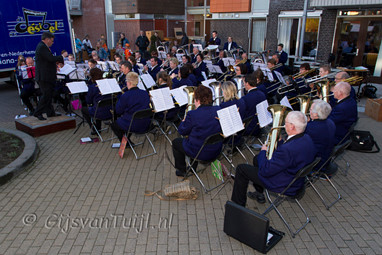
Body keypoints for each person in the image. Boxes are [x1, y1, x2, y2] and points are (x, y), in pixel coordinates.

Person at [232, 111, 316, 206]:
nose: (284, 125)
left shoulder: (287, 150)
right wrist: (279, 142)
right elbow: (289, 157)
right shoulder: (307, 138)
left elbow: (265, 170)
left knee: (241, 169)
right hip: (295, 179)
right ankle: (259, 193)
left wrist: (263, 151)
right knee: (257, 159)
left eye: (286, 122)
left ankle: (237, 206)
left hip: (282, 184)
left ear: (292, 126)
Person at [172, 85, 222, 177]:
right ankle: (192, 168)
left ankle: (181, 170)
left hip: (200, 153)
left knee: (176, 142)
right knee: (195, 137)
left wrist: (183, 122)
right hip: (216, 150)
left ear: (197, 100)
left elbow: (182, 131)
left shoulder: (193, 114)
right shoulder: (218, 109)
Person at [111, 72, 151, 142]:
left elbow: (118, 111)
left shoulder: (125, 95)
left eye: (126, 81)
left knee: (114, 125)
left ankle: (127, 143)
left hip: (133, 125)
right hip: (146, 123)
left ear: (129, 83)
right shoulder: (145, 93)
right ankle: (127, 140)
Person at [33, 32, 64, 120]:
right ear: (47, 39)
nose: (52, 43)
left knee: (49, 95)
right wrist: (60, 57)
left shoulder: (42, 46)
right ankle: (38, 112)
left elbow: (48, 60)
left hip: (46, 76)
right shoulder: (42, 47)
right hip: (44, 77)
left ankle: (50, 113)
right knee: (46, 95)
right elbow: (50, 58)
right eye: (52, 40)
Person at [305, 99, 336, 173]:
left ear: (316, 114)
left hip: (316, 162)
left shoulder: (311, 128)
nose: (309, 111)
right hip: (325, 158)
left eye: (311, 109)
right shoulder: (330, 122)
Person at [81, 68, 112, 134]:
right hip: (111, 112)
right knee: (98, 105)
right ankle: (98, 128)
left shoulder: (92, 87)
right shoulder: (107, 84)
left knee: (84, 109)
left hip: (99, 113)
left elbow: (88, 101)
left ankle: (94, 128)